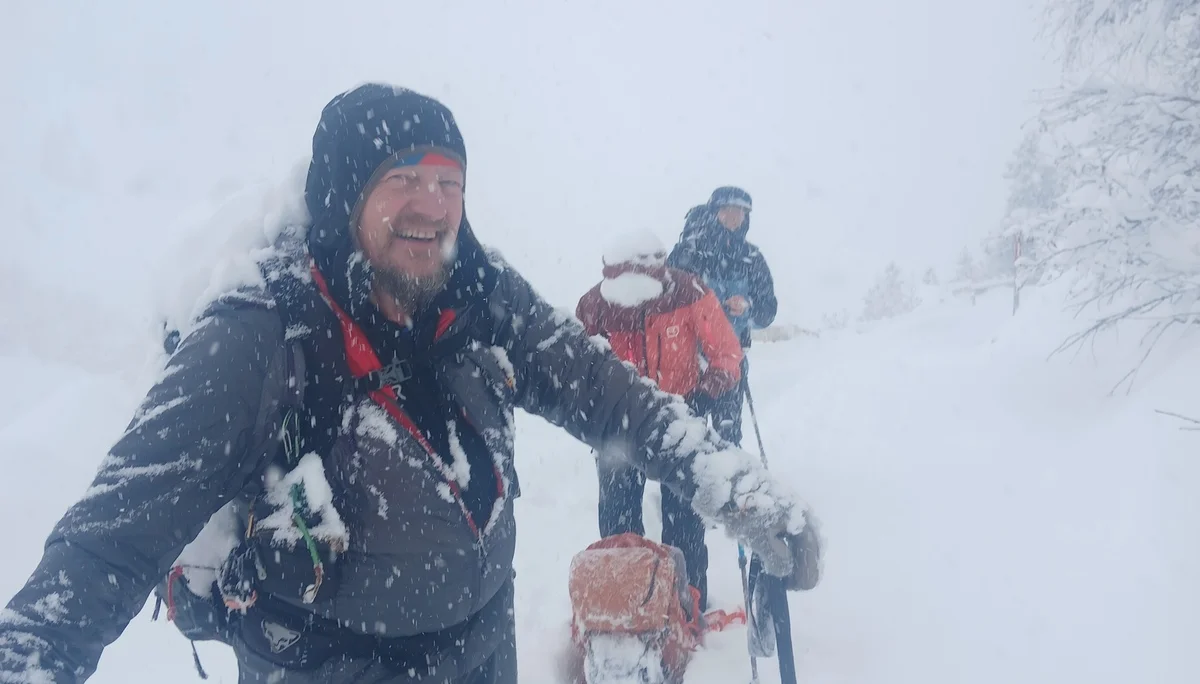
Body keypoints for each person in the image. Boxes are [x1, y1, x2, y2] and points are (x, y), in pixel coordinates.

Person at [0, 84, 819, 684]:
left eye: (449, 180)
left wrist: (738, 491)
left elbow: (608, 393)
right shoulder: (257, 337)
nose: (433, 203)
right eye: (402, 177)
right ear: (344, 192)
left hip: (482, 652)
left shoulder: (481, 294)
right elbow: (104, 544)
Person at [575, 231, 744, 612]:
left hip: (678, 414)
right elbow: (579, 369)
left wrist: (712, 383)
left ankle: (688, 602)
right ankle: (626, 601)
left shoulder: (690, 292)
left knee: (683, 514)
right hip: (618, 423)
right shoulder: (594, 305)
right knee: (619, 521)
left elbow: (726, 351)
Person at [667, 187, 777, 446]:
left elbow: (768, 311)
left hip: (730, 362)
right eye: (728, 210)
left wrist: (748, 307)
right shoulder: (689, 253)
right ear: (714, 212)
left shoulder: (752, 259)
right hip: (687, 360)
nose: (734, 217)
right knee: (686, 437)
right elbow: (665, 302)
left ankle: (725, 483)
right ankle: (688, 486)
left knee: (727, 436)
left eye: (740, 212)